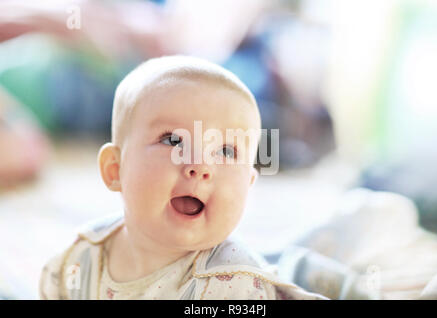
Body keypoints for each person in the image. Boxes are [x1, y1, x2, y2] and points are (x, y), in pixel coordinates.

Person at [38, 55, 325, 300]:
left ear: (248, 185)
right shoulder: (78, 263)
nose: (199, 166)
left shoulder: (236, 288)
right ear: (115, 169)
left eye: (225, 150)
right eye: (174, 141)